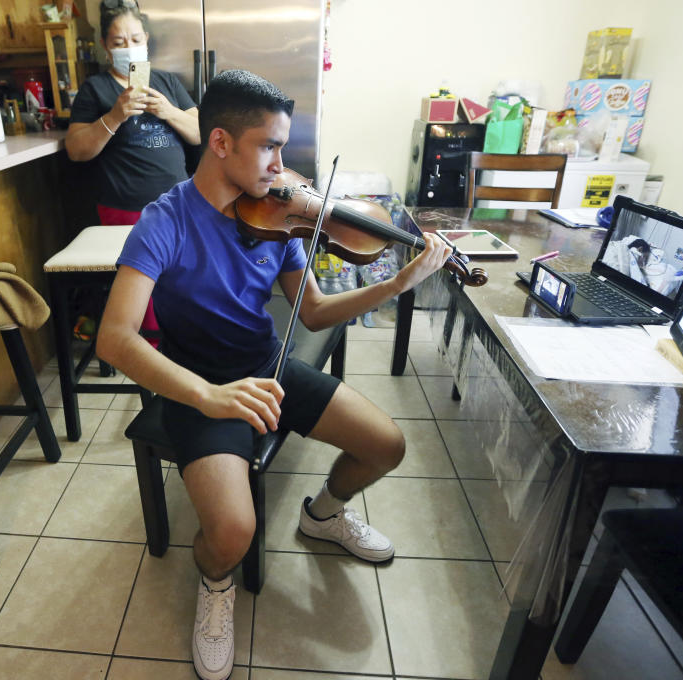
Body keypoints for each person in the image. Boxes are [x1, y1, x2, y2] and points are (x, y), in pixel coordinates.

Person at [97, 70, 452, 680]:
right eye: (269, 146)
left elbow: (311, 310)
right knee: (232, 533)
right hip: (198, 386)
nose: (282, 165)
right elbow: (114, 338)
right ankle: (214, 584)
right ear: (221, 143)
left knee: (385, 444)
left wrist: (394, 285)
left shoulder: (280, 213)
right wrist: (207, 396)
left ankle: (323, 515)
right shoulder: (164, 221)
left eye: (283, 148)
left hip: (267, 367)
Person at [65, 0, 199, 341]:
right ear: (106, 48)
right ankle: (152, 352)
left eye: (135, 39)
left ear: (146, 39)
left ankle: (186, 343)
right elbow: (77, 150)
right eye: (119, 42)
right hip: (125, 208)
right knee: (145, 285)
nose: (129, 47)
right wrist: (115, 115)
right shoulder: (95, 89)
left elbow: (200, 133)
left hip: (181, 204)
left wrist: (169, 111)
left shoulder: (167, 83)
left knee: (186, 278)